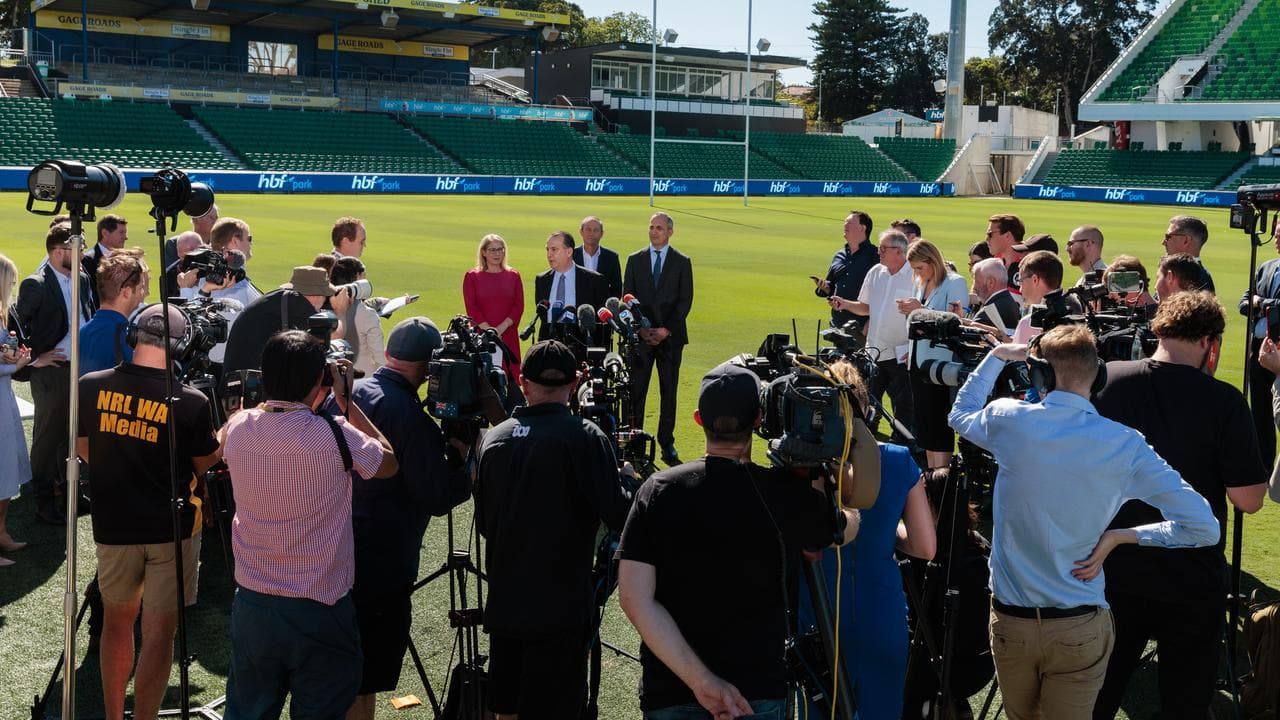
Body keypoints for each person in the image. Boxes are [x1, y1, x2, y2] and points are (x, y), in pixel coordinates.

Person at [948, 324, 1220, 720]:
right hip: (1079, 626)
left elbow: (960, 413)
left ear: (1039, 374)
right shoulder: (1125, 444)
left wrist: (998, 356)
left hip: (1012, 621)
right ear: (1099, 375)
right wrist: (1122, 536)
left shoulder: (1010, 419)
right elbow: (1203, 527)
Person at [616, 360, 863, 719]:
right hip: (756, 693)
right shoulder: (784, 493)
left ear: (699, 419)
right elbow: (843, 530)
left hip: (670, 690)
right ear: (760, 420)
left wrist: (699, 680)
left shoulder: (657, 491)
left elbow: (634, 598)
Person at [1091, 291, 1269, 719]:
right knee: (1185, 703)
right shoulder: (1224, 401)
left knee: (1095, 695)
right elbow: (1249, 499)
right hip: (1188, 570)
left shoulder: (1105, 381)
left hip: (1108, 565)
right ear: (1211, 342)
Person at [222, 330, 397, 719]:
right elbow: (387, 462)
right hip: (320, 607)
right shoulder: (335, 434)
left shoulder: (238, 427)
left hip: (254, 603)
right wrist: (346, 402)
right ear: (319, 379)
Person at [77, 303, 221, 720]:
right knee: (159, 636)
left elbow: (86, 452)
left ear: (133, 335)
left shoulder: (90, 385)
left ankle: (112, 715)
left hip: (113, 527)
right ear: (182, 345)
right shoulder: (192, 401)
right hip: (171, 531)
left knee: (117, 625)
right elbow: (205, 463)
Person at [475, 340, 632, 719]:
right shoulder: (586, 436)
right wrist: (626, 481)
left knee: (506, 708)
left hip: (507, 603)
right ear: (575, 381)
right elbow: (619, 513)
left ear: (524, 382)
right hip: (561, 609)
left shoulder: (495, 439)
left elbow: (484, 523)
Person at [342, 317, 474, 720]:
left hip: (333, 549)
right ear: (428, 365)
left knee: (342, 665)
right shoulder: (410, 418)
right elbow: (437, 497)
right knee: (363, 676)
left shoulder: (353, 392)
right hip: (382, 562)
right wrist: (464, 463)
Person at [797, 359, 934, 720]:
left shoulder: (796, 465)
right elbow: (924, 546)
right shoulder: (899, 460)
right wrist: (887, 533)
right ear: (867, 409)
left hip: (818, 611)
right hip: (880, 612)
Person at [13, 221, 95, 525]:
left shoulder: (82, 279)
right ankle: (43, 501)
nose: (84, 253)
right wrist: (34, 358)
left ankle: (71, 493)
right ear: (60, 250)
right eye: (79, 248)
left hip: (80, 368)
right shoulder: (36, 283)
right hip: (53, 371)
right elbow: (15, 328)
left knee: (73, 433)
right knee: (49, 436)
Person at [828, 229, 915, 442]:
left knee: (902, 406)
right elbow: (865, 307)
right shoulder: (876, 272)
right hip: (874, 351)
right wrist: (845, 304)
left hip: (900, 354)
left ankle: (903, 445)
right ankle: (866, 441)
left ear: (900, 251)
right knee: (866, 401)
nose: (880, 252)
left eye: (884, 249)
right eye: (880, 248)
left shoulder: (914, 276)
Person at [624, 213, 695, 466]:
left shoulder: (682, 261)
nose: (654, 232)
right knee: (636, 392)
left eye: (660, 228)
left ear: (670, 232)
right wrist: (642, 330)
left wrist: (665, 330)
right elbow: (627, 298)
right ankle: (635, 442)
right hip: (641, 339)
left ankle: (667, 442)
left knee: (669, 392)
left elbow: (685, 301)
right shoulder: (634, 260)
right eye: (651, 227)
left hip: (671, 339)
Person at [898, 240, 968, 468]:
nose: (917, 273)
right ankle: (931, 473)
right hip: (918, 361)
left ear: (932, 261)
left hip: (941, 364)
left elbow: (956, 323)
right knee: (924, 425)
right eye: (915, 269)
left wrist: (920, 310)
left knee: (938, 422)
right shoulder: (922, 283)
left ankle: (942, 475)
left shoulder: (955, 282)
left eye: (920, 267)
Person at [221, 266, 350, 376]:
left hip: (240, 381)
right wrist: (341, 310)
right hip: (251, 388)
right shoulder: (296, 303)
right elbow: (334, 336)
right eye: (325, 296)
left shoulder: (281, 300)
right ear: (317, 295)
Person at [178, 217, 261, 372]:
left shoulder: (219, 276)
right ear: (235, 241)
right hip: (222, 370)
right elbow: (192, 322)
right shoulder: (222, 280)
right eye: (249, 238)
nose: (251, 243)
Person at [0, 253, 32, 566]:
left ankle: (1, 532)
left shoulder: (1, 315)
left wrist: (11, 357)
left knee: (8, 467)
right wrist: (15, 365)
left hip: (5, 399)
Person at [1242, 218, 1280, 466]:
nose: (1276, 239)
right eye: (1276, 233)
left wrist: (1260, 302)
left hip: (1279, 351)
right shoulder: (1266, 267)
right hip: (1258, 351)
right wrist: (1260, 303)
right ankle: (1262, 468)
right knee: (1260, 415)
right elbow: (1244, 302)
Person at [463, 233, 524, 384]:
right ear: (483, 252)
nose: (497, 253)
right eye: (492, 250)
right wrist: (489, 331)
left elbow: (518, 306)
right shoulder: (472, 276)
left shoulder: (514, 275)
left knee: (510, 382)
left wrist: (500, 329)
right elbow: (472, 307)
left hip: (507, 335)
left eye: (500, 249)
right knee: (483, 381)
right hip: (482, 336)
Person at [79, 248, 148, 376]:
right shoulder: (127, 337)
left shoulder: (81, 333)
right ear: (126, 292)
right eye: (141, 287)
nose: (143, 293)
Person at [534, 230, 609, 344]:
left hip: (580, 344)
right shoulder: (542, 280)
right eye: (547, 250)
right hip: (548, 345)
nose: (549, 254)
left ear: (569, 252)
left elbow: (600, 323)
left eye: (554, 249)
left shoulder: (595, 280)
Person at [815, 210, 878, 331]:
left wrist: (872, 321)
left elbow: (883, 293)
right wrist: (825, 287)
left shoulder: (875, 255)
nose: (845, 225)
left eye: (849, 222)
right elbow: (831, 287)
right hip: (837, 324)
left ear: (862, 228)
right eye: (845, 222)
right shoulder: (839, 255)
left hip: (862, 327)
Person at [1010, 250, 1068, 344]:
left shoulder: (1028, 323)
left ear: (1035, 280)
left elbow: (1014, 357)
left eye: (1021, 281)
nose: (1020, 290)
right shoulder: (1075, 314)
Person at [161, 206, 218, 299]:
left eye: (216, 217)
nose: (215, 221)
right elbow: (171, 280)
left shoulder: (220, 248)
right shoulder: (175, 243)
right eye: (210, 217)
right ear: (195, 219)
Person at [83, 213, 128, 307]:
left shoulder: (126, 259)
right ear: (105, 233)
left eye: (125, 232)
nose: (126, 237)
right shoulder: (88, 260)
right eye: (121, 232)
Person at [970, 258, 1021, 335]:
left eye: (976, 282)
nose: (974, 287)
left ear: (991, 283)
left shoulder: (990, 311)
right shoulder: (1008, 302)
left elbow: (969, 337)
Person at [1162, 215, 1214, 292]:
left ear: (1186, 240)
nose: (1163, 242)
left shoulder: (1197, 279)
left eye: (1168, 237)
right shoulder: (1202, 277)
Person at [574, 215, 623, 298]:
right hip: (576, 307)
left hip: (602, 308)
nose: (591, 233)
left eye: (595, 230)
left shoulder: (612, 257)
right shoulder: (571, 255)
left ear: (602, 234)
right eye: (588, 229)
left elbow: (617, 288)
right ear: (581, 232)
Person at [985, 214, 1027, 300]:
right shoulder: (993, 263)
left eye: (990, 234)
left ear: (1007, 235)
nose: (987, 239)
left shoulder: (1028, 265)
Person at [161, 231, 206, 301]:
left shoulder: (214, 269)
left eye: (189, 257)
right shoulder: (168, 277)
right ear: (177, 250)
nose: (185, 262)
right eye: (182, 257)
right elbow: (172, 309)